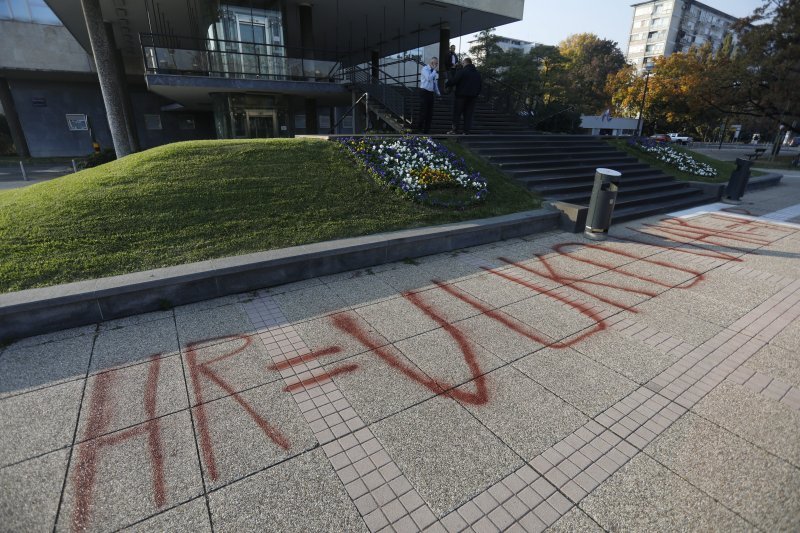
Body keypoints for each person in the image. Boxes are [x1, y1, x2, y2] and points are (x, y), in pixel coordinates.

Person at [445, 57, 481, 135]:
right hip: (472, 97)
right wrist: (476, 94)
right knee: (468, 114)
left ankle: (454, 130)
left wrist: (447, 84)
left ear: (465, 63)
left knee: (457, 113)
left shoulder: (463, 71)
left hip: (461, 96)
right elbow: (480, 86)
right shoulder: (477, 74)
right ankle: (466, 131)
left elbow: (454, 80)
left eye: (463, 63)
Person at [416, 57, 440, 134]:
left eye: (436, 63)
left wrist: (438, 92)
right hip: (424, 92)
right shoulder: (425, 69)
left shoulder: (434, 72)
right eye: (434, 63)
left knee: (430, 113)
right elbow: (429, 78)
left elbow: (434, 83)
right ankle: (419, 129)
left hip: (431, 93)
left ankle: (427, 130)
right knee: (423, 112)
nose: (435, 65)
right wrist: (434, 71)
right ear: (430, 62)